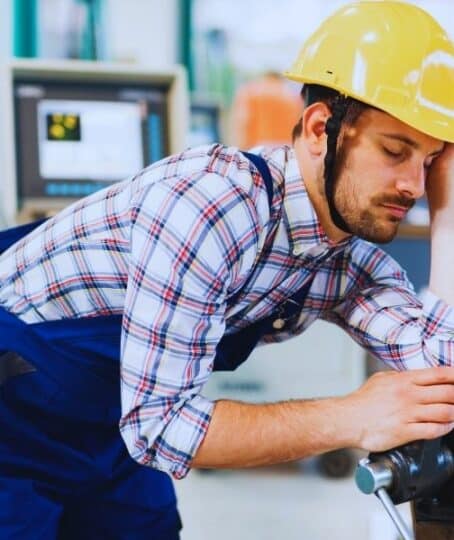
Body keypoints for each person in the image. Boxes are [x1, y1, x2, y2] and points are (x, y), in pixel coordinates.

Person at [1, 1, 454, 538]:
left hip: (104, 422)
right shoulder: (210, 206)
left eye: (427, 162)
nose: (412, 185)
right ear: (318, 129)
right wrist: (351, 416)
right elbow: (161, 429)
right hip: (13, 419)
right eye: (395, 150)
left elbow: (440, 364)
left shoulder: (342, 259)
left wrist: (448, 217)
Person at [230, 71, 301, 148]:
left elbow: (244, 119)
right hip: (288, 145)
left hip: (261, 145)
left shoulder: (252, 91)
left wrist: (242, 147)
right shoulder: (292, 94)